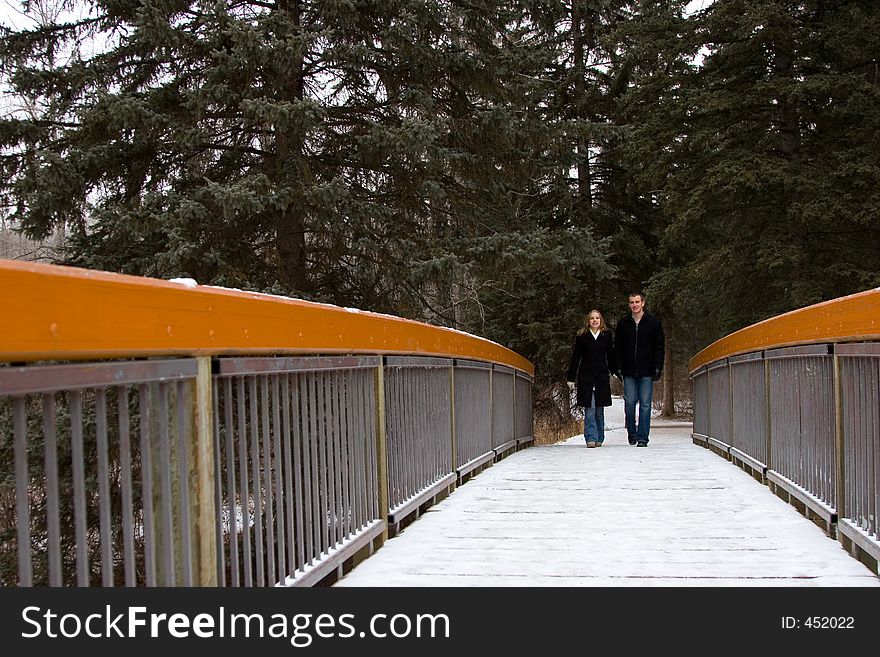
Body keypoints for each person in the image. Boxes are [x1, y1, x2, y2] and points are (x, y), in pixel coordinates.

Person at [614, 292, 665, 447]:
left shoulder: (653, 323)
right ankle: (631, 431)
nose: (634, 305)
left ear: (643, 303)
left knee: (645, 404)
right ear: (629, 304)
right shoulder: (623, 323)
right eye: (631, 302)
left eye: (637, 302)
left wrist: (657, 367)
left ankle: (643, 437)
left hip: (647, 369)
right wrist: (618, 367)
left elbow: (659, 347)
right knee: (629, 403)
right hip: (628, 370)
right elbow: (618, 347)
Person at [566, 309, 616, 448]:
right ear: (588, 321)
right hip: (586, 377)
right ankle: (590, 438)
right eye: (592, 318)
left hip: (601, 377)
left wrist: (615, 371)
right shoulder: (582, 337)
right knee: (590, 409)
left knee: (599, 410)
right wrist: (571, 378)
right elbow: (576, 358)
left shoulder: (606, 335)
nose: (594, 320)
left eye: (597, 318)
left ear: (601, 321)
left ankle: (600, 437)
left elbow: (610, 355)